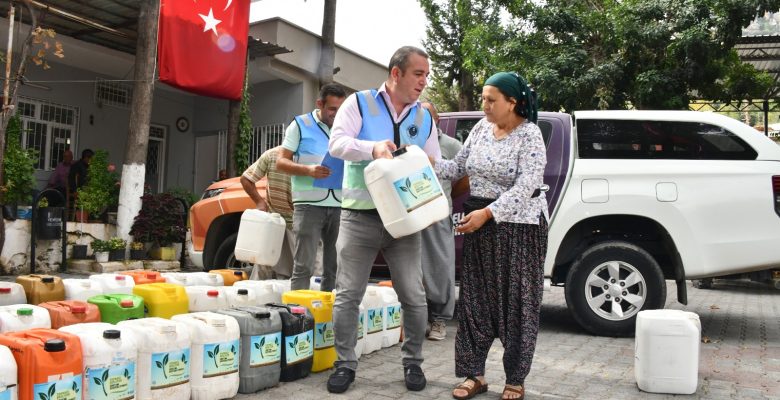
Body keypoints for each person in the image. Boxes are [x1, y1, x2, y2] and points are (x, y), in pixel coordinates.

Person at [326, 46, 442, 394]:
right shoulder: (360, 103)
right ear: (396, 74)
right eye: (418, 74)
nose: (424, 81)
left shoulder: (423, 118)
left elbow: (433, 161)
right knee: (348, 295)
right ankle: (345, 364)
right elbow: (337, 144)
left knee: (414, 296)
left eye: (426, 75)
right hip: (359, 219)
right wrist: (372, 148)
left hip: (405, 225)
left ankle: (413, 365)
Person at [434, 72, 548, 400]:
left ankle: (515, 378)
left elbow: (527, 186)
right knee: (474, 301)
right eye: (483, 98)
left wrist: (487, 214)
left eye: (491, 100)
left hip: (518, 227)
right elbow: (457, 168)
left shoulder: (530, 135)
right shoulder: (482, 129)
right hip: (480, 224)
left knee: (517, 304)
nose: (484, 105)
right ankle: (475, 375)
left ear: (513, 103)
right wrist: (422, 162)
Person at [276, 83, 347, 292]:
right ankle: (300, 317)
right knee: (303, 266)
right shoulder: (300, 125)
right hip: (309, 206)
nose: (337, 114)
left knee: (334, 267)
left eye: (341, 110)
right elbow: (281, 162)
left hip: (340, 205)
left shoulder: (347, 127)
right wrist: (308, 170)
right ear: (320, 104)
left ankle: (327, 316)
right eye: (332, 109)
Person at [419, 101, 464, 341]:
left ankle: (440, 319)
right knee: (413, 267)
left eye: (427, 117)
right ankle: (416, 318)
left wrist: (446, 197)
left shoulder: (451, 145)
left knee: (439, 267)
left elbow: (463, 178)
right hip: (411, 214)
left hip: (437, 214)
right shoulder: (411, 140)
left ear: (436, 120)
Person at [240, 146, 295, 279]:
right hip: (274, 221)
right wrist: (259, 201)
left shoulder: (308, 157)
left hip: (299, 224)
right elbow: (246, 178)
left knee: (304, 272)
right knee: (264, 266)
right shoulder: (271, 155)